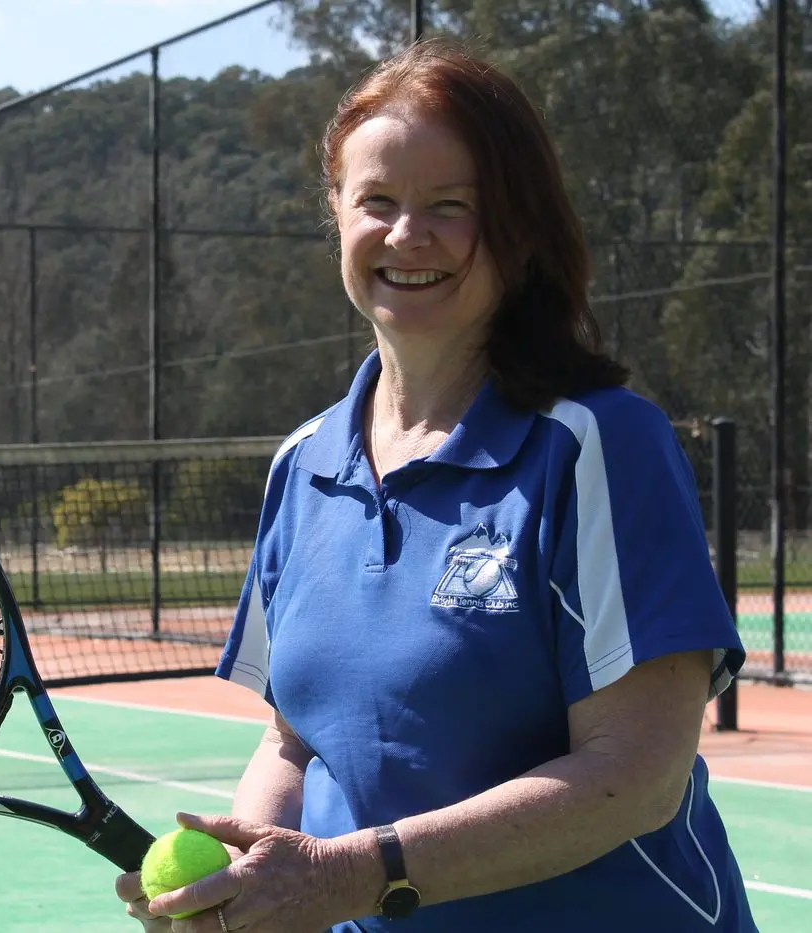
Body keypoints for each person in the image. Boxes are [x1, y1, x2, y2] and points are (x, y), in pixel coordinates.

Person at [114, 38, 755, 933]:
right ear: (336, 214)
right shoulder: (301, 465)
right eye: (375, 200)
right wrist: (244, 881)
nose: (406, 235)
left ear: (519, 229)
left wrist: (350, 875)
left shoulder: (599, 443)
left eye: (451, 206)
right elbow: (293, 740)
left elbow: (635, 773)